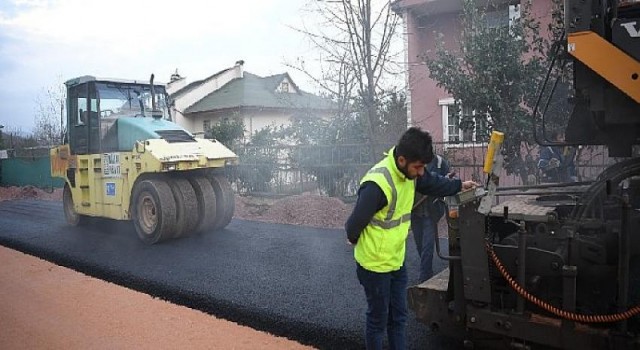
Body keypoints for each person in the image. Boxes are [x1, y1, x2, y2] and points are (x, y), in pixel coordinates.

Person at [345, 127, 478, 350]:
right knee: (378, 320)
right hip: (374, 266)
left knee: (398, 318)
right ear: (402, 159)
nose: (420, 172)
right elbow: (353, 225)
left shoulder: (411, 172)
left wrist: (458, 186)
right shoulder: (376, 184)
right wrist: (354, 238)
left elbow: (433, 182)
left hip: (396, 261)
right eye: (418, 167)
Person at [411, 153, 452, 283]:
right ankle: (427, 270)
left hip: (431, 211)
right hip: (415, 211)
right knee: (419, 244)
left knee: (427, 245)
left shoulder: (440, 163)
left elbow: (446, 182)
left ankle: (424, 279)